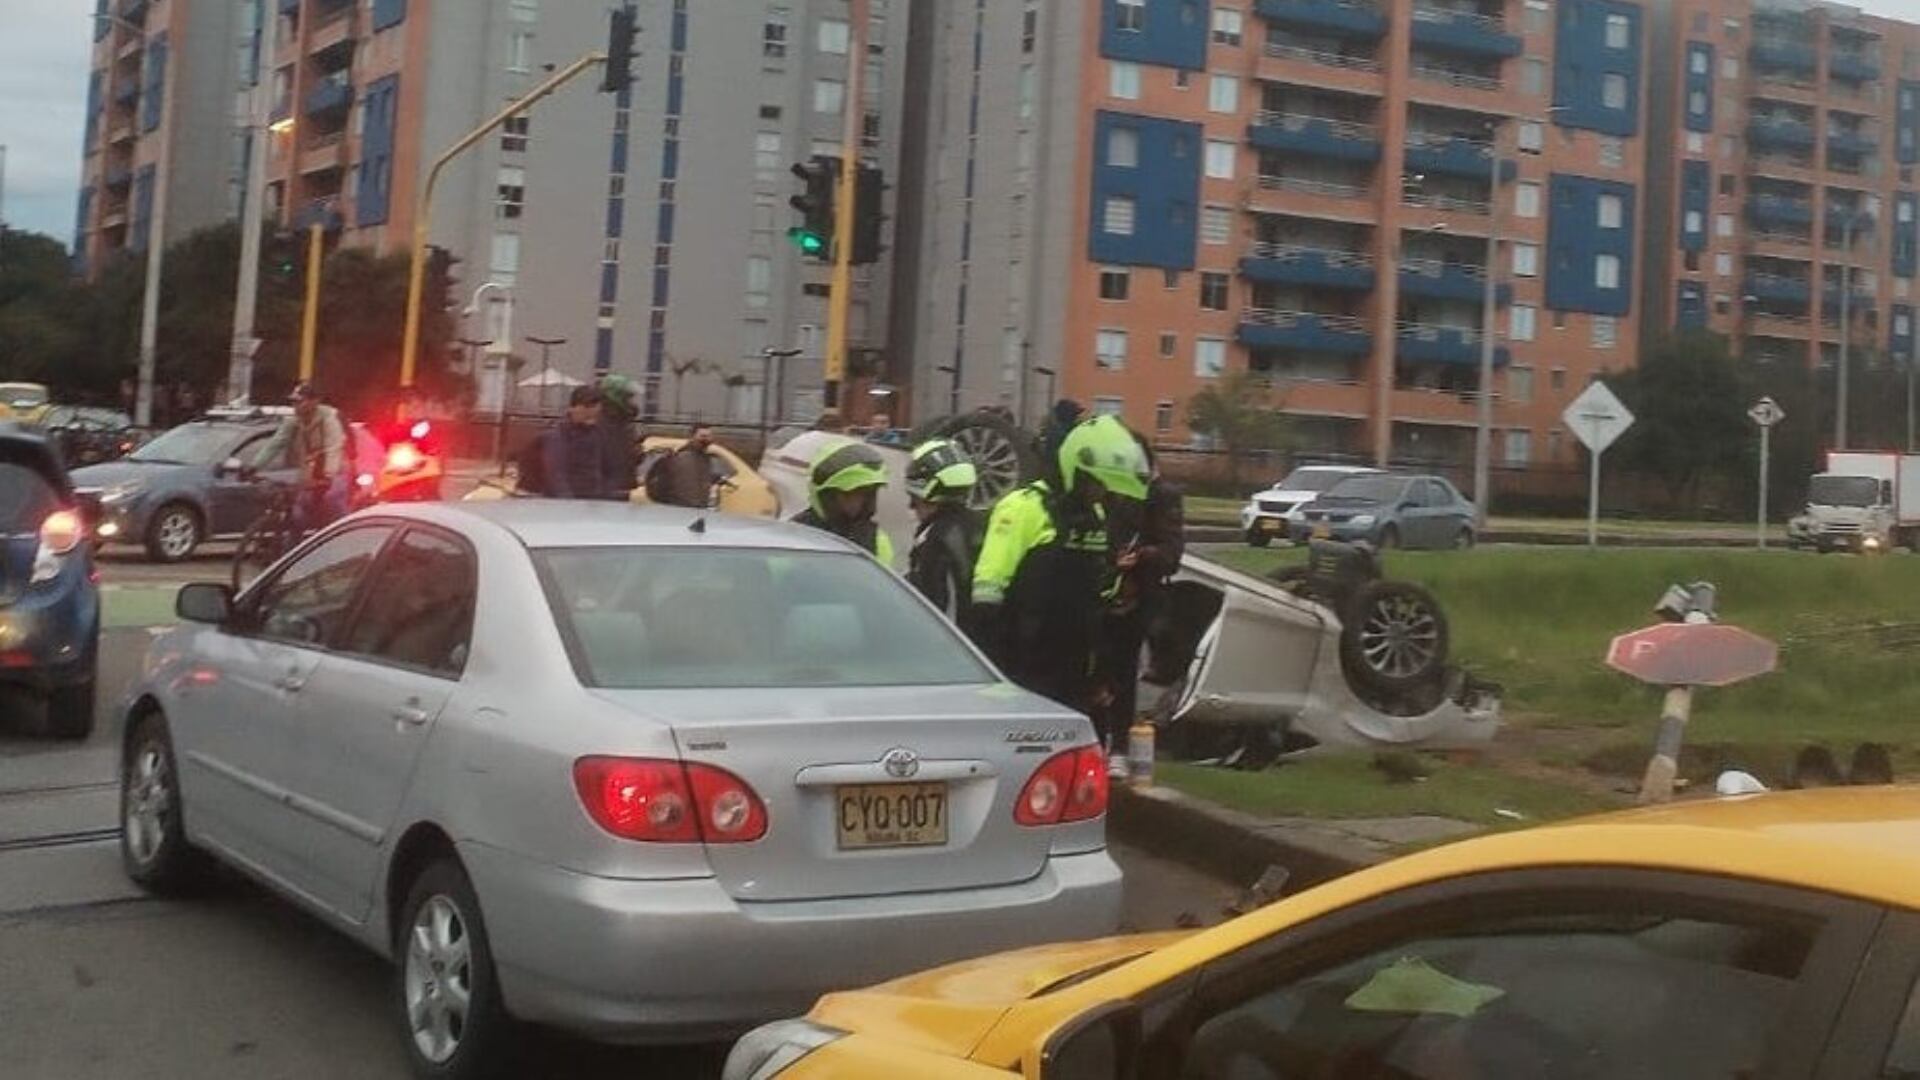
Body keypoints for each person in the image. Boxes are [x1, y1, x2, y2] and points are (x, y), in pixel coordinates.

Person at [972, 414, 1151, 723]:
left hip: (1074, 667)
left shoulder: (1093, 513)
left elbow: (1095, 597)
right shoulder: (1023, 507)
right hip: (1023, 665)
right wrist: (993, 671)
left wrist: (1102, 671)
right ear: (1076, 473)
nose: (1101, 492)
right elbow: (988, 591)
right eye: (1096, 483)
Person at [1098, 434, 1186, 768]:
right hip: (1104, 590)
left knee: (1122, 669)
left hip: (1136, 596)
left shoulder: (1160, 497)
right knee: (1098, 669)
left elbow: (1171, 553)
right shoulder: (1106, 496)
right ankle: (1100, 739)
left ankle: (1119, 746)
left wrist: (1142, 556)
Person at [904, 438, 984, 624]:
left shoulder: (936, 539)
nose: (912, 506)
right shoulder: (982, 524)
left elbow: (933, 609)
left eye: (913, 498)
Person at [263, 382, 350, 534]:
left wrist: (329, 475)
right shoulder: (294, 421)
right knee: (298, 515)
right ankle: (294, 552)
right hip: (311, 473)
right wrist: (254, 465)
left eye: (299, 401)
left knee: (332, 503)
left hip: (336, 472)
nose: (295, 406)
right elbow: (276, 443)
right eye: (293, 402)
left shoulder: (329, 418)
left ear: (314, 402)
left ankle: (344, 537)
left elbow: (333, 447)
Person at [791, 438, 894, 563]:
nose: (862, 503)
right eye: (855, 494)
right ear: (829, 497)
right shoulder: (793, 538)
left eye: (869, 494)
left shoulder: (877, 541)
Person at [535, 385, 617, 500]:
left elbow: (609, 469)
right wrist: (569, 503)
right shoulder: (558, 434)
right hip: (565, 505)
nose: (592, 411)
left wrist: (605, 495)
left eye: (595, 407)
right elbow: (556, 474)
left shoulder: (598, 434)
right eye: (587, 406)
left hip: (593, 503)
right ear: (572, 408)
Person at [648, 423, 722, 508]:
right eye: (703, 436)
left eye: (709, 436)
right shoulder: (678, 457)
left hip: (699, 508)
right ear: (692, 437)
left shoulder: (706, 459)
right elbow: (659, 482)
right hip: (680, 508)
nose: (706, 440)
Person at [597, 374, 642, 499]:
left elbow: (628, 456)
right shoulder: (600, 423)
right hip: (604, 493)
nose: (631, 402)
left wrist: (637, 453)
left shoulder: (625, 423)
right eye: (628, 398)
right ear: (616, 397)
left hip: (624, 489)